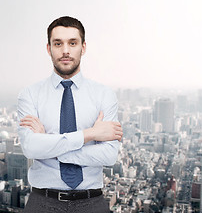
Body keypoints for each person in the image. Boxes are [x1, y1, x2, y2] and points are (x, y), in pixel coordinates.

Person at [18, 16, 123, 213]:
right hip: (42, 202)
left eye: (72, 43)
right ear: (49, 48)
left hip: (92, 202)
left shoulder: (103, 95)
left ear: (83, 47)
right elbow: (30, 148)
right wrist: (90, 134)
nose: (65, 51)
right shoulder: (30, 94)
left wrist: (49, 145)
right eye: (58, 43)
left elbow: (109, 155)